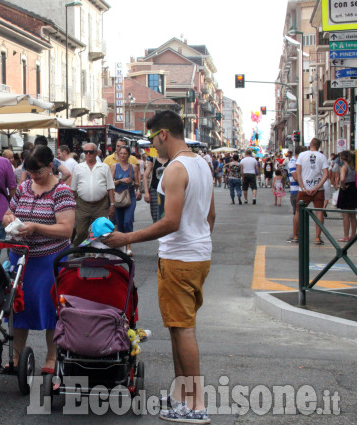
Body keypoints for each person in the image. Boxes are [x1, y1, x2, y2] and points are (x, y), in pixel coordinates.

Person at [103, 111, 215, 424]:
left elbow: (170, 221)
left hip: (181, 258)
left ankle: (195, 404)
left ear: (163, 134)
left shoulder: (174, 169)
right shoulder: (201, 164)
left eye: (153, 140)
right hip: (196, 255)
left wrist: (126, 237)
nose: (152, 147)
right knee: (180, 327)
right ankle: (182, 395)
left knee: (182, 330)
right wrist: (201, 242)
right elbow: (211, 215)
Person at [2, 145, 76, 374]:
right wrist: (10, 220)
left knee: (51, 308)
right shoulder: (24, 187)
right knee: (18, 308)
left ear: (50, 166)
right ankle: (16, 357)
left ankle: (52, 358)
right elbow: (6, 213)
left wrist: (36, 227)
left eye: (39, 172)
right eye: (30, 172)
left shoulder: (62, 191)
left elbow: (66, 229)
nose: (34, 177)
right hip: (21, 258)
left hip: (49, 259)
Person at [70, 142, 115, 246]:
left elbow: (110, 187)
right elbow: (74, 189)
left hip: (101, 205)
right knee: (81, 231)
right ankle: (79, 250)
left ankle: (99, 251)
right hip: (82, 205)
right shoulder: (78, 167)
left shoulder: (104, 167)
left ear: (96, 153)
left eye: (91, 152)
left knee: (101, 231)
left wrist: (112, 204)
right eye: (86, 152)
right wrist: (72, 205)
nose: (88, 154)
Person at [287, 138, 329, 245]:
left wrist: (303, 187)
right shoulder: (322, 157)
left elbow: (298, 173)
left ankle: (296, 235)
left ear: (310, 144)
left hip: (303, 189)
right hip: (318, 189)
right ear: (319, 146)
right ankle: (317, 238)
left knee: (298, 212)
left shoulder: (302, 155)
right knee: (319, 212)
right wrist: (317, 187)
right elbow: (326, 175)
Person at [113, 145, 140, 256]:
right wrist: (120, 180)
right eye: (121, 153)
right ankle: (121, 244)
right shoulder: (114, 166)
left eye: (125, 153)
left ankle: (128, 245)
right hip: (117, 197)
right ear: (118, 155)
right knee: (119, 223)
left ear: (128, 155)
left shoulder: (133, 167)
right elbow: (110, 183)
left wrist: (132, 183)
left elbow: (138, 183)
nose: (123, 155)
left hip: (130, 195)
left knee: (128, 221)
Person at [336, 150, 356, 243]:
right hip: (353, 188)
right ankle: (353, 235)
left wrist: (342, 185)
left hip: (346, 189)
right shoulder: (353, 167)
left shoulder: (344, 167)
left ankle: (346, 236)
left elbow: (343, 178)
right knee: (352, 214)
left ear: (342, 158)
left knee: (345, 214)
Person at [144, 155, 169, 222]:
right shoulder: (153, 160)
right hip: (155, 190)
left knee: (167, 213)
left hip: (168, 191)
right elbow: (145, 176)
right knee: (155, 214)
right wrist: (146, 192)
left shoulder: (172, 159)